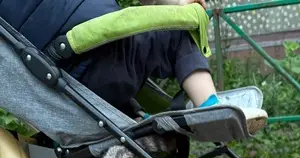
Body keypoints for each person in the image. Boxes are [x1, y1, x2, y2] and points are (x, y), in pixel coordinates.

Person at [0, 0, 267, 134]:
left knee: (103, 71)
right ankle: (210, 106)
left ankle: (134, 118)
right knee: (177, 35)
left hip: (67, 84)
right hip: (100, 46)